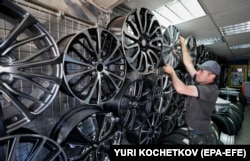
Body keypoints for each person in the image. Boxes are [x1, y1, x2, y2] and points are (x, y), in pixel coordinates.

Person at [163, 36, 221, 145]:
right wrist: (183, 44)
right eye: (199, 70)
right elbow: (188, 64)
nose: (197, 73)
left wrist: (172, 73)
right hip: (194, 131)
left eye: (202, 71)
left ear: (211, 76)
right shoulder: (202, 81)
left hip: (202, 135)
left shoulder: (209, 90)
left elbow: (181, 89)